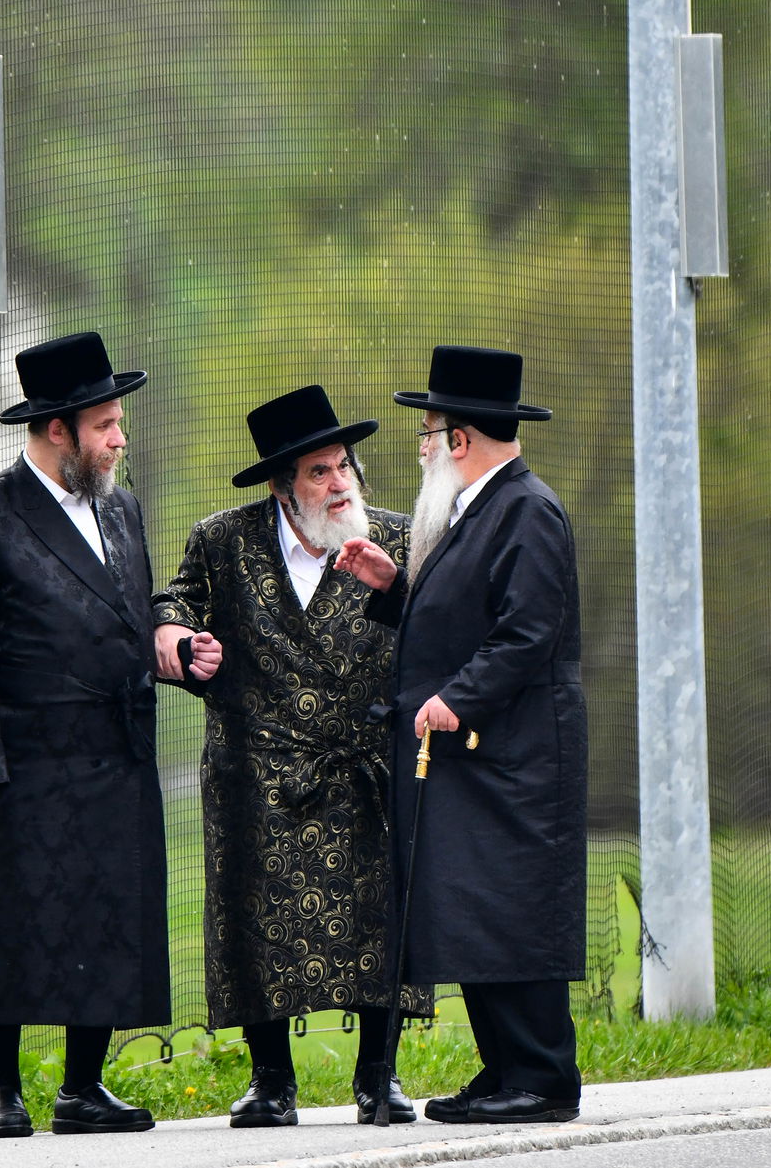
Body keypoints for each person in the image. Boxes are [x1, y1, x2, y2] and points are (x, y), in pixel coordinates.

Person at [0, 330, 222, 1138]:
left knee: (107, 916)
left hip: (114, 756)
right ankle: (3, 1088)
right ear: (58, 429)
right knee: (8, 917)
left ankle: (84, 1088)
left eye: (117, 421)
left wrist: (171, 642)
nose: (120, 437)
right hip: (21, 762)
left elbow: (129, 612)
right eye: (105, 424)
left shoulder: (120, 507)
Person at [153, 384, 427, 1131]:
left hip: (363, 765)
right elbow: (170, 606)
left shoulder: (397, 541)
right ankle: (270, 1079)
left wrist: (397, 586)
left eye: (344, 466)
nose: (339, 483)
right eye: (318, 471)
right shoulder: (224, 540)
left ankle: (379, 1076)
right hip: (262, 775)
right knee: (255, 919)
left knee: (379, 917)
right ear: (281, 483)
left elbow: (441, 629)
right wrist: (182, 647)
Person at [337, 345, 587, 1128]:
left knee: (514, 908)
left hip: (515, 756)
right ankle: (503, 1069)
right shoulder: (479, 508)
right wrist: (394, 588)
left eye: (427, 429)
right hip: (476, 758)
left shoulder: (527, 508)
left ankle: (543, 1076)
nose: (419, 445)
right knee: (477, 909)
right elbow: (467, 614)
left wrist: (458, 698)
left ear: (459, 439)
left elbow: (526, 631)